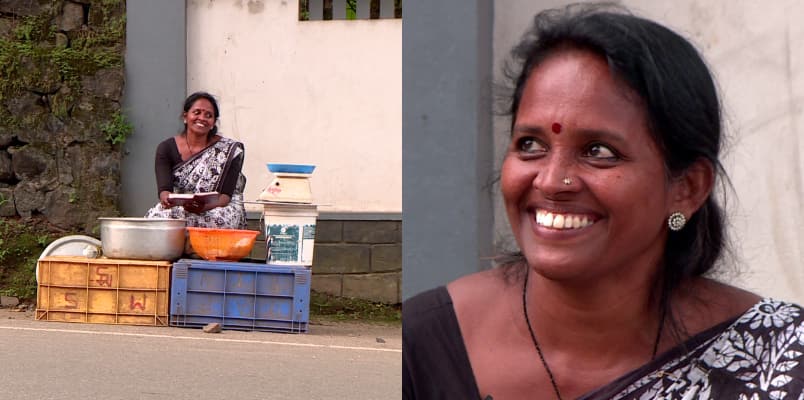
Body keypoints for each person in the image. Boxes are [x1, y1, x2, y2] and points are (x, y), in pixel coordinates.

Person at [402, 4, 804, 400]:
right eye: (531, 145)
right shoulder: (423, 345)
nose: (552, 180)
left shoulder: (781, 362)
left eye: (599, 151)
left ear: (688, 188)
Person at [145, 91, 247, 230]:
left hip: (218, 208)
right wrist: (167, 200)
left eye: (208, 115)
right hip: (182, 207)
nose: (202, 118)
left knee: (221, 221)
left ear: (213, 123)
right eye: (197, 112)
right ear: (185, 116)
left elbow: (225, 197)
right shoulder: (166, 148)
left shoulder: (229, 150)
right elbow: (164, 190)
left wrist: (203, 207)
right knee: (157, 218)